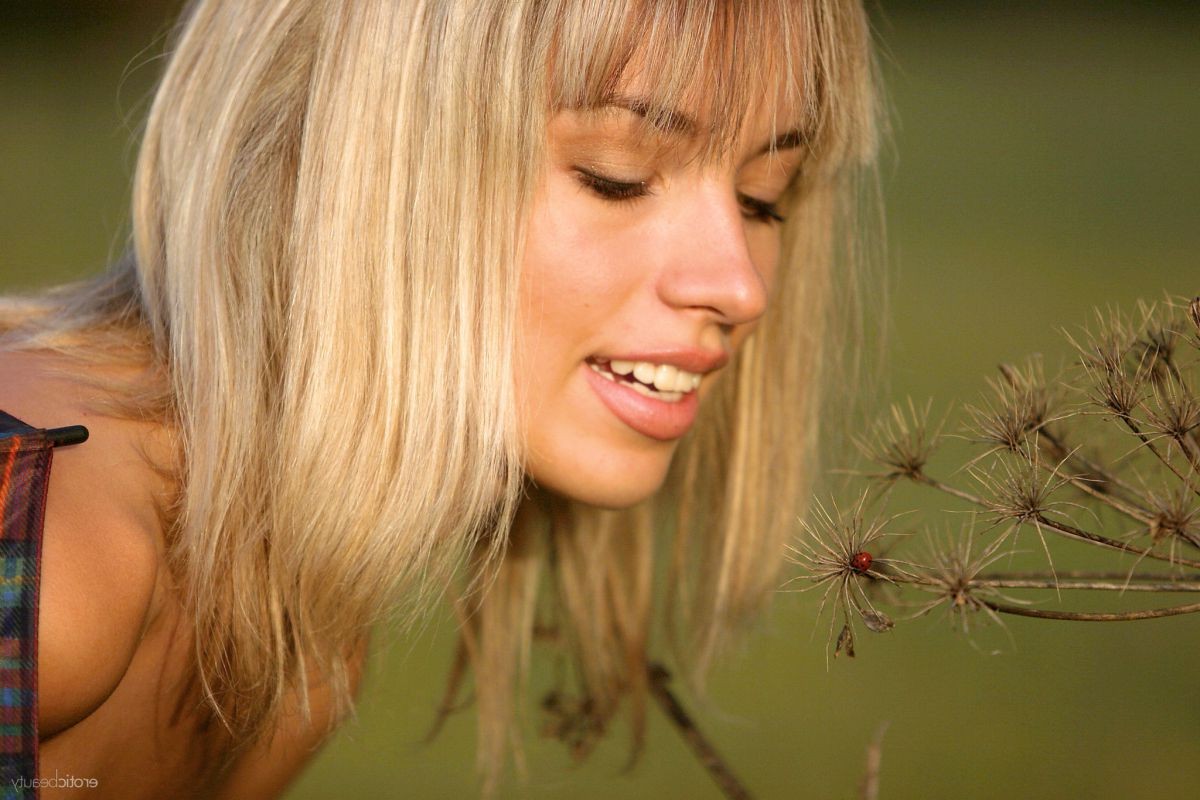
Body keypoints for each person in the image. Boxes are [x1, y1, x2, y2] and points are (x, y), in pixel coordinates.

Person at [0, 0, 880, 797]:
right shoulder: (55, 563)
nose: (740, 286)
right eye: (617, 175)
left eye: (765, 199)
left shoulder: (297, 645)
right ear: (361, 160)